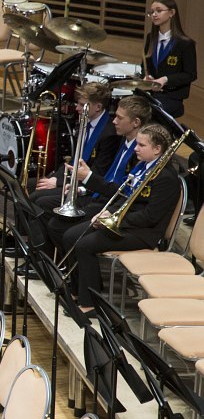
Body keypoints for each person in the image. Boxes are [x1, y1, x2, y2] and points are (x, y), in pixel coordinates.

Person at [57, 123, 181, 311]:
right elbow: (124, 196)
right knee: (71, 236)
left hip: (143, 232)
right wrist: (105, 213)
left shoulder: (166, 178)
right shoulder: (142, 166)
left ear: (157, 149)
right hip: (125, 222)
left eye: (141, 145)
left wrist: (115, 219)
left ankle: (89, 304)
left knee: (85, 245)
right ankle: (81, 290)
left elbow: (151, 216)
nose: (136, 149)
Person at [42, 96, 151, 246]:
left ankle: (63, 267)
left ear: (136, 123)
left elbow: (123, 191)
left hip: (110, 204)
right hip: (97, 195)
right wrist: (81, 189)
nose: (114, 121)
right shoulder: (123, 140)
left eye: (119, 118)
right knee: (43, 204)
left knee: (57, 225)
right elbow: (108, 177)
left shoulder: (140, 154)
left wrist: (88, 178)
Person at [30, 82, 118, 196]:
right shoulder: (84, 123)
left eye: (82, 105)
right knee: (27, 185)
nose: (77, 108)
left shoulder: (109, 134)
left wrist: (59, 182)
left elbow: (98, 172)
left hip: (86, 187)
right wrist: (55, 178)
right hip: (72, 177)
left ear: (98, 107)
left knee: (37, 196)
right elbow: (73, 160)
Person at [143, 0, 196, 120]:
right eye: (152, 12)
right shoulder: (151, 38)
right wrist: (147, 76)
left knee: (148, 114)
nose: (154, 15)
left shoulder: (185, 43)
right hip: (152, 93)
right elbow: (144, 66)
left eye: (158, 11)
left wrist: (165, 79)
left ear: (172, 13)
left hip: (172, 96)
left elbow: (190, 74)